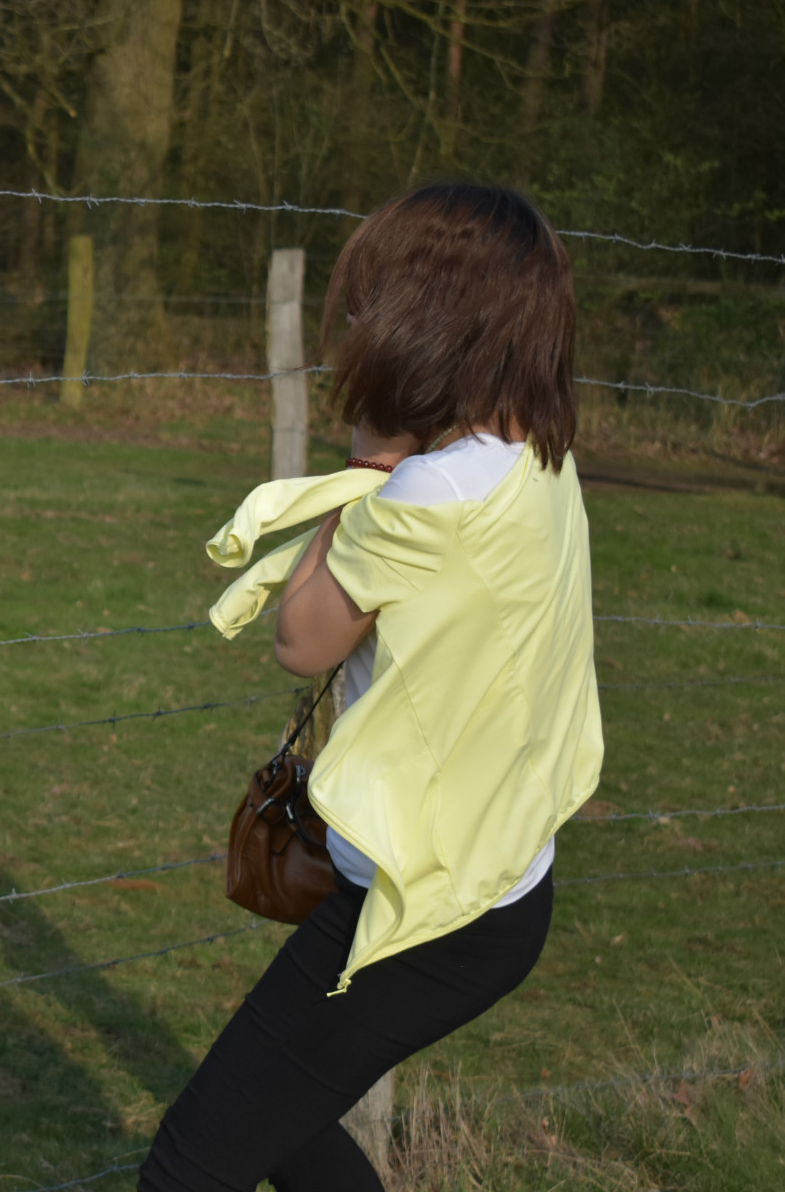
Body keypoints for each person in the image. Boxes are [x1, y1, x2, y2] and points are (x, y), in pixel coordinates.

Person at [138, 184, 604, 1192]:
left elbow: (301, 639)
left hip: (421, 909)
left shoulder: (429, 491)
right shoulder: (535, 456)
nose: (353, 324)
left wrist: (364, 468)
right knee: (283, 1129)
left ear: (425, 321)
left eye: (369, 303)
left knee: (187, 1167)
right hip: (494, 877)